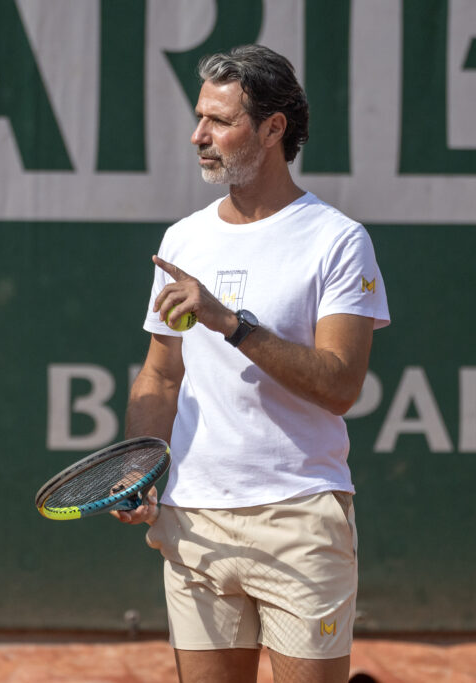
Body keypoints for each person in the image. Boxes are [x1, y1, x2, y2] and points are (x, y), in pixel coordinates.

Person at [113, 45, 390, 683]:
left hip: (300, 516)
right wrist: (140, 464)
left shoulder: (337, 240)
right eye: (199, 117)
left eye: (220, 121)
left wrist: (230, 323)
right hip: (195, 520)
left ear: (272, 129)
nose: (198, 136)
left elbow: (341, 385)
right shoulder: (183, 238)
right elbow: (161, 374)